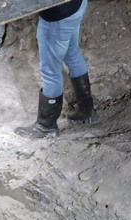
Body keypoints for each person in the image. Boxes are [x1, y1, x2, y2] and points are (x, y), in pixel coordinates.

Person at [16, 0, 95, 138]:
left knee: (50, 70)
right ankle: (87, 110)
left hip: (58, 15)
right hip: (77, 5)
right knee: (72, 52)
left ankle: (46, 126)